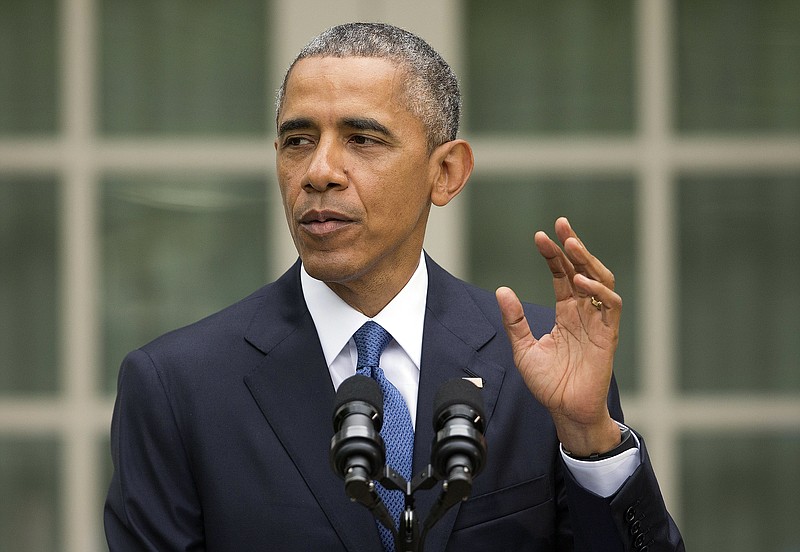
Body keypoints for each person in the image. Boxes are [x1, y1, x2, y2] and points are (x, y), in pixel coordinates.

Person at [104, 22, 684, 552]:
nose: (319, 171)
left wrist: (589, 437)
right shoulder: (176, 388)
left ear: (446, 173)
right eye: (298, 140)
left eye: (362, 139)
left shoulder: (540, 364)